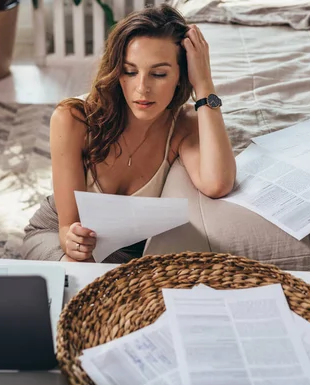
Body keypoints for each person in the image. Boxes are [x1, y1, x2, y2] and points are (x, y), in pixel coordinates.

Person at [21, 4, 236, 263]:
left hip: (128, 253)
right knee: (80, 275)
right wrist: (73, 239)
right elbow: (68, 226)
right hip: (58, 235)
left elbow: (217, 183)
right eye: (130, 71)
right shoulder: (73, 119)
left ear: (181, 75)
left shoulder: (183, 124)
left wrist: (204, 84)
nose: (142, 88)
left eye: (158, 74)